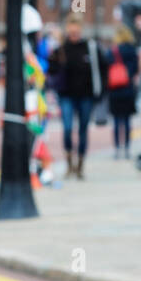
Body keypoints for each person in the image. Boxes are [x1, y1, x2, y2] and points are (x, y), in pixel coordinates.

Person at [47, 16, 107, 178]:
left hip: (86, 95)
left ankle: (80, 165)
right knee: (67, 128)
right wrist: (55, 51)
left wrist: (100, 92)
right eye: (70, 28)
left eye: (76, 28)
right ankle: (69, 163)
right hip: (66, 95)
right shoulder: (61, 48)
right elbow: (51, 70)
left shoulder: (91, 47)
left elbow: (102, 69)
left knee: (83, 129)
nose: (73, 32)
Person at [105, 24, 138, 159]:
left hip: (114, 90)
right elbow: (135, 69)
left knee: (117, 121)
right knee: (127, 120)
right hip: (128, 89)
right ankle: (127, 148)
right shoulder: (132, 50)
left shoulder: (112, 51)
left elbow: (106, 67)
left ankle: (118, 149)